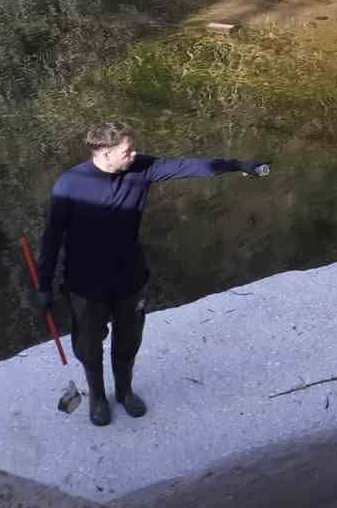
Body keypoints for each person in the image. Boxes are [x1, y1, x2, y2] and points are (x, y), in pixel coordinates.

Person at [34, 121, 268, 427]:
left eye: (133, 149)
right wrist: (44, 285)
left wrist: (237, 165)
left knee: (128, 341)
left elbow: (189, 167)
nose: (134, 154)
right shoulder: (70, 185)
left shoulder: (141, 168)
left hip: (130, 278)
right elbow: (51, 238)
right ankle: (98, 397)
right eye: (127, 151)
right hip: (85, 284)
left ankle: (124, 392)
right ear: (104, 152)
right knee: (88, 346)